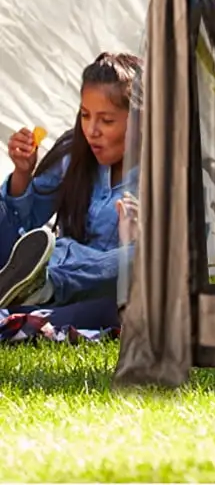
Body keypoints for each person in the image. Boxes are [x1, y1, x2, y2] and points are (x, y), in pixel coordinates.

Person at [0, 52, 141, 331]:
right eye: (86, 115)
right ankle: (28, 293)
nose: (91, 130)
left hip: (98, 290)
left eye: (107, 121)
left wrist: (137, 236)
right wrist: (22, 173)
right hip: (45, 267)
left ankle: (39, 292)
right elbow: (22, 224)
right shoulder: (74, 155)